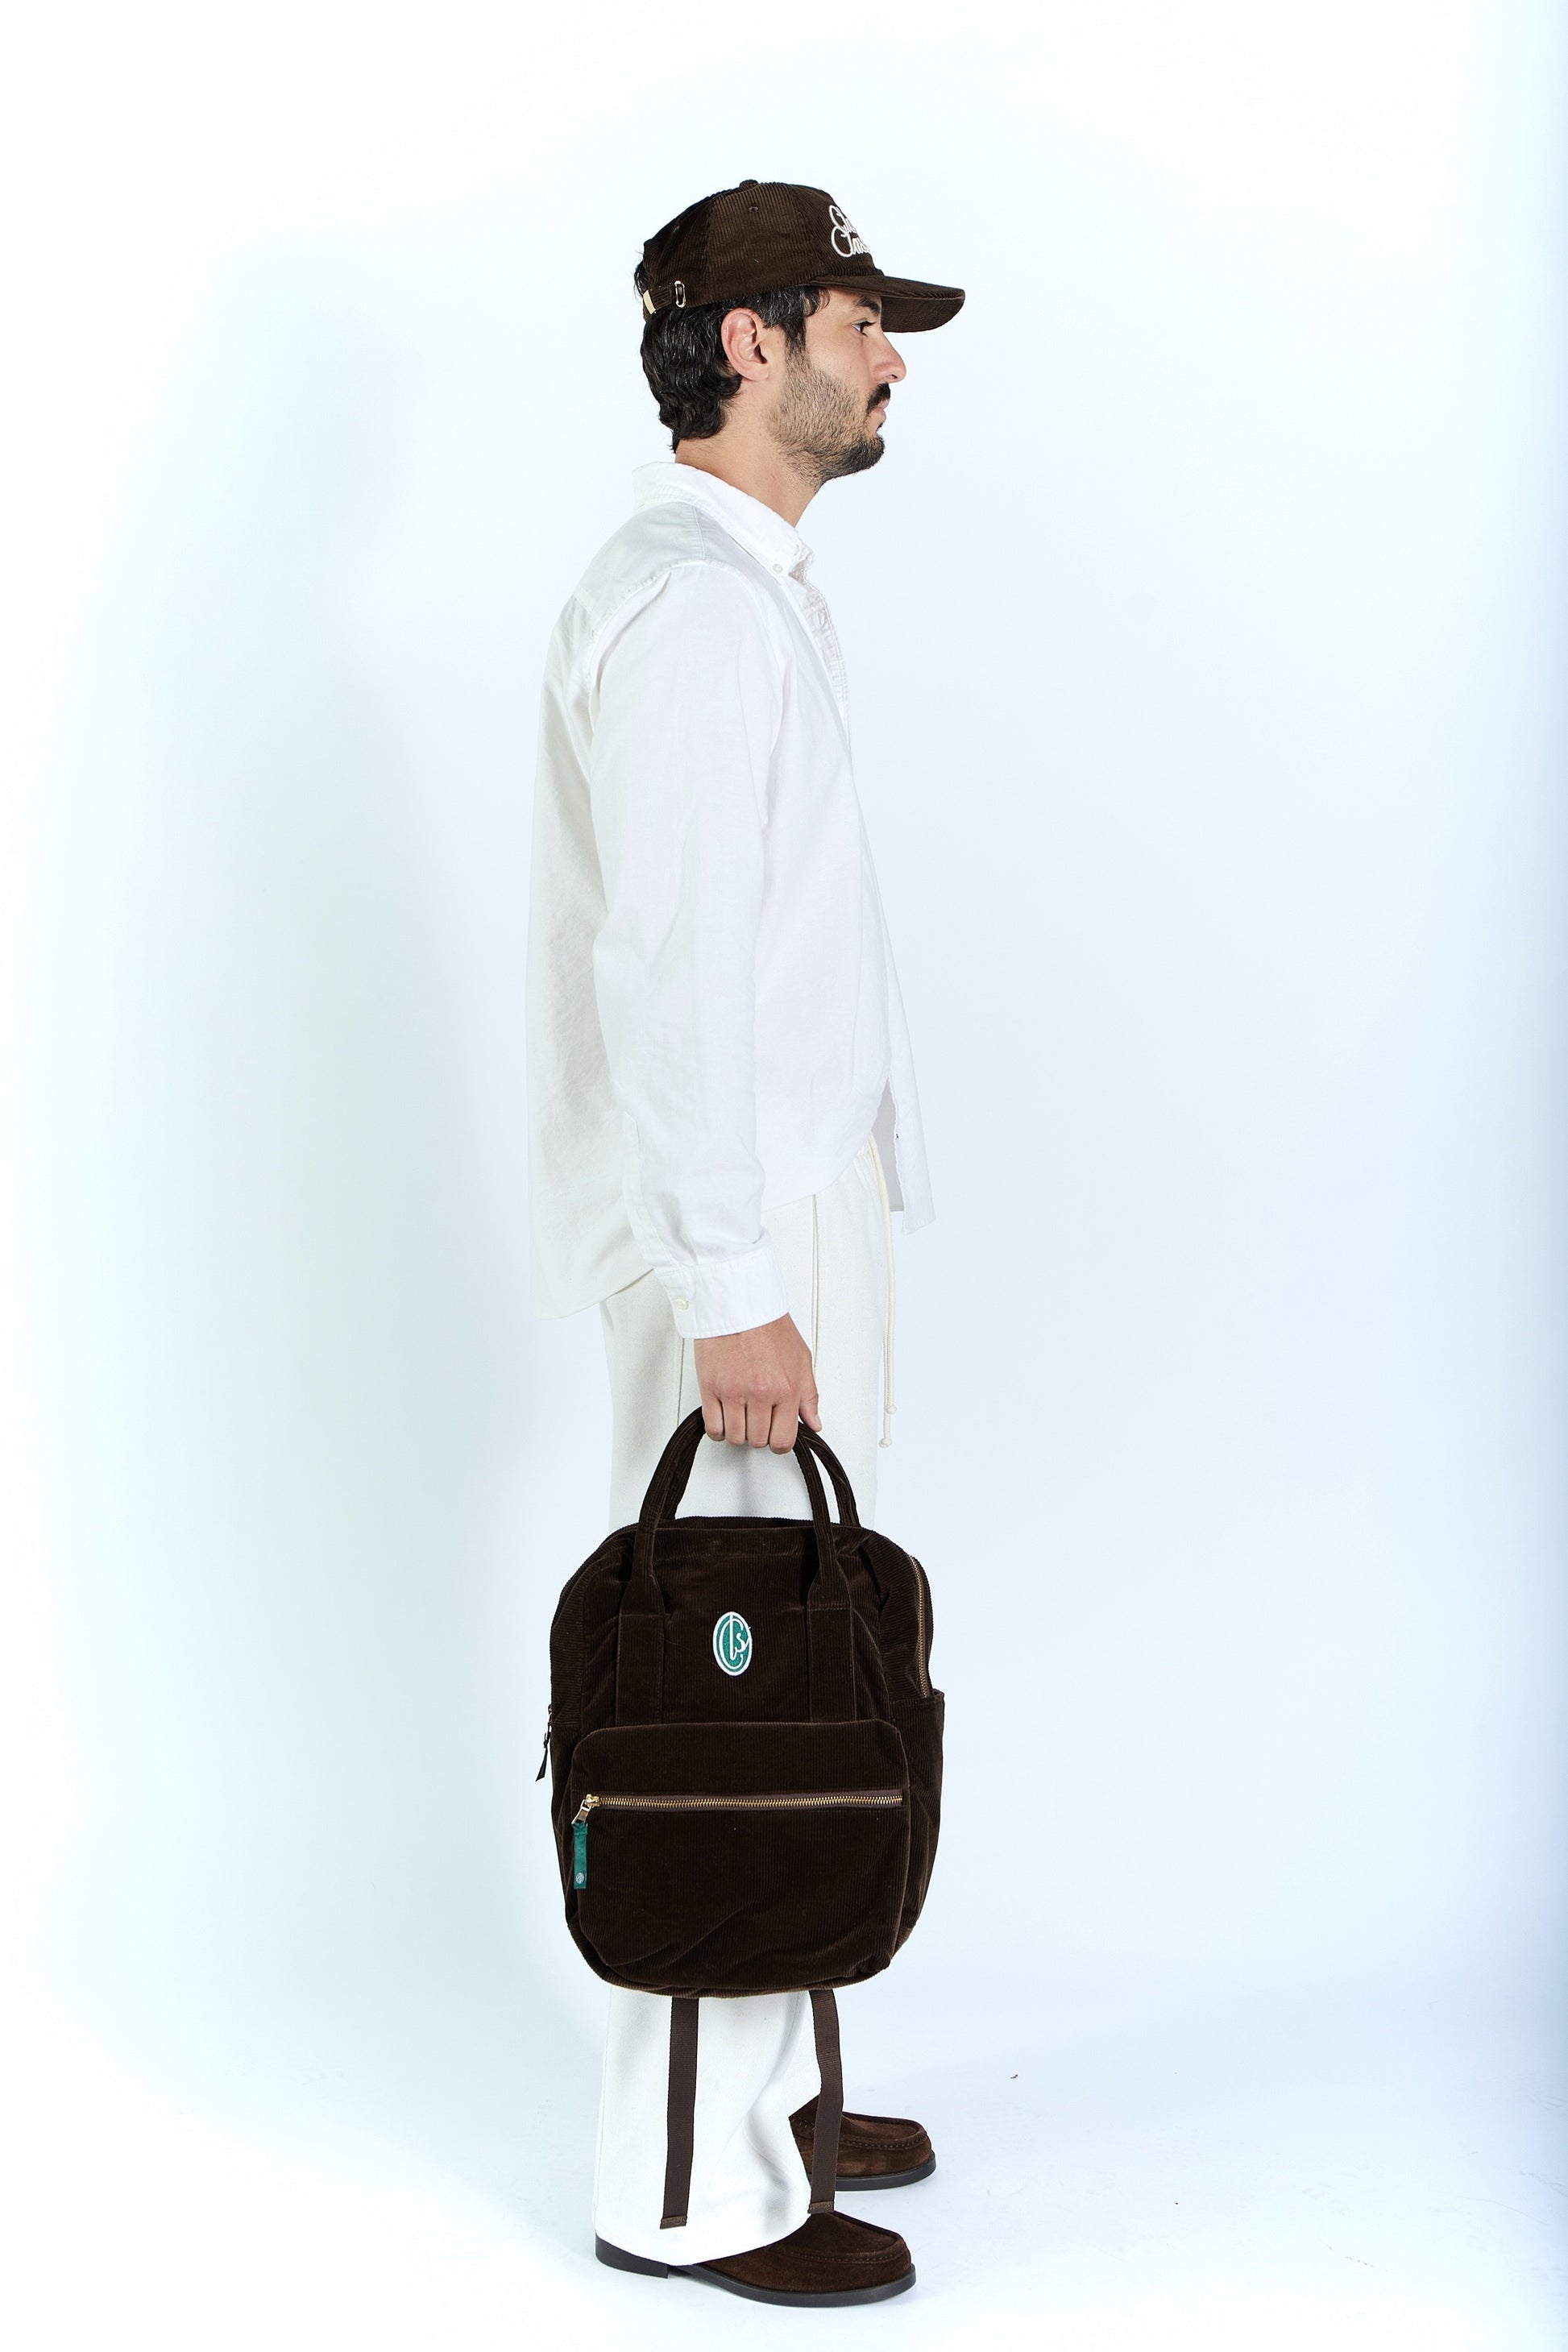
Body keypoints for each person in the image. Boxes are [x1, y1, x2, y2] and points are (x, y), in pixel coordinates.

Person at [527, 178, 963, 2308]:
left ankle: (770, 2095)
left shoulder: (739, 589)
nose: (890, 366)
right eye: (862, 326)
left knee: (793, 1663)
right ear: (746, 343)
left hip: (779, 1213)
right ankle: (686, 2185)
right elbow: (672, 975)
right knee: (719, 1691)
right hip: (742, 1236)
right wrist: (729, 1289)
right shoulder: (693, 611)